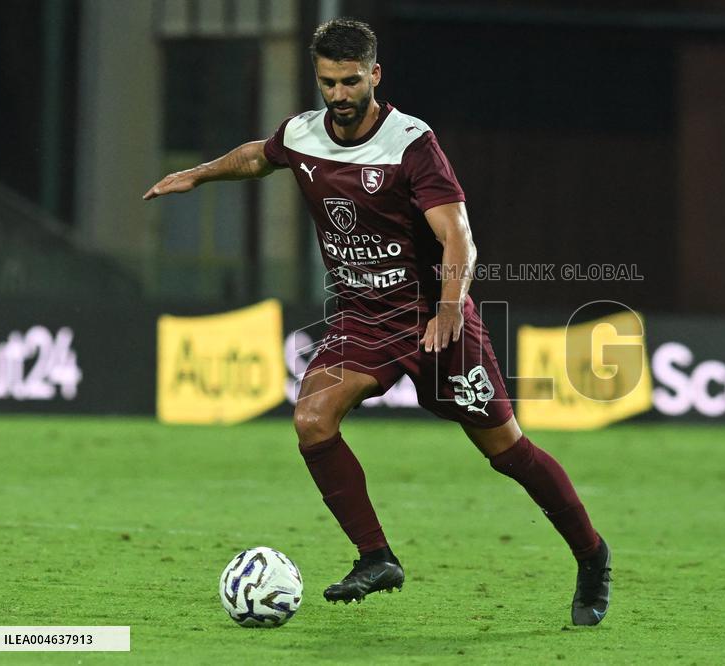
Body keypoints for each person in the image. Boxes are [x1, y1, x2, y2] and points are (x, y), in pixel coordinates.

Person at [144, 18, 611, 626]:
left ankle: (592, 556)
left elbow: (458, 240)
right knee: (312, 418)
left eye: (349, 81)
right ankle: (376, 557)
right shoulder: (304, 135)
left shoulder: (412, 143)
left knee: (507, 451)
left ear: (375, 76)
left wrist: (448, 310)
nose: (338, 95)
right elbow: (260, 156)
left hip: (432, 316)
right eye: (327, 83)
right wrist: (200, 174)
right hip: (364, 318)